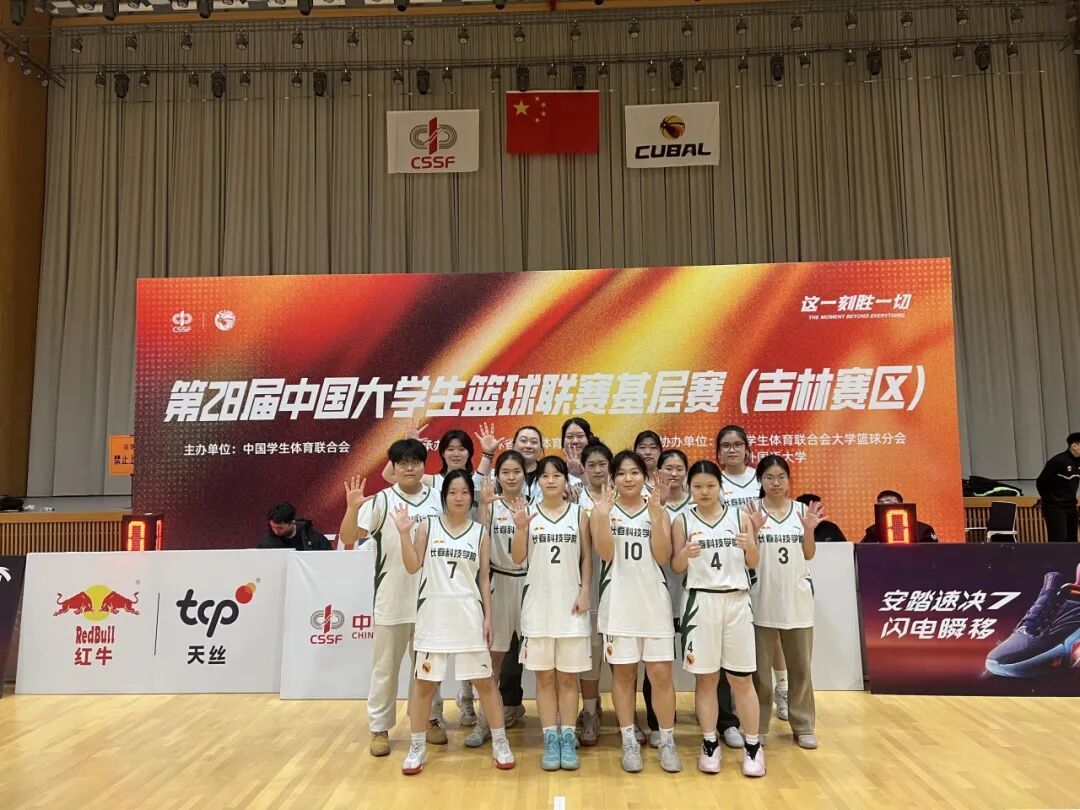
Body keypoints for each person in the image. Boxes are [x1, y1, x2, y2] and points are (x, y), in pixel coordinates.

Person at [394, 470, 516, 775]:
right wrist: (403, 534)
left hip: (468, 614)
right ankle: (417, 746)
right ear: (444, 496)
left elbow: (485, 578)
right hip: (433, 615)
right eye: (452, 492)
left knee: (485, 682)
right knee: (424, 684)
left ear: (471, 498)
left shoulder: (480, 532)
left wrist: (488, 618)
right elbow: (412, 566)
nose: (458, 497)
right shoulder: (427, 525)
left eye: (464, 492)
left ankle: (500, 742)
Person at [338, 438, 445, 757]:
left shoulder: (438, 500)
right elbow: (348, 537)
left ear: (424, 465)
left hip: (429, 599)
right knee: (385, 669)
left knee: (428, 667)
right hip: (391, 600)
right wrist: (352, 508)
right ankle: (379, 728)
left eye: (415, 462)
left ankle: (430, 719)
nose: (409, 468)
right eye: (403, 463)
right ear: (394, 468)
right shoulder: (381, 501)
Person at [672, 460, 764, 777]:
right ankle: (710, 741)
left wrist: (751, 544)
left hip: (736, 600)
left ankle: (753, 746)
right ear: (690, 489)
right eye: (698, 486)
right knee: (707, 678)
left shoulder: (740, 517)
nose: (704, 491)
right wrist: (685, 554)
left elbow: (753, 561)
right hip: (700, 601)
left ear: (720, 487)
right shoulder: (682, 520)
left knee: (741, 680)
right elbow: (677, 567)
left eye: (710, 485)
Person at [592, 450, 682, 774]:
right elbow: (605, 553)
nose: (628, 478)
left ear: (645, 476)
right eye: (621, 473)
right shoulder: (602, 510)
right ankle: (629, 740)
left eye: (634, 472)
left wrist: (657, 518)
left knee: (661, 675)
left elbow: (662, 556)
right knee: (624, 675)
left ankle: (667, 740)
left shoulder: (658, 509)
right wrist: (602, 517)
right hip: (618, 605)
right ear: (613, 478)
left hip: (654, 604)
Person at [511, 456, 592, 771]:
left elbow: (586, 557)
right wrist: (520, 529)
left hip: (571, 605)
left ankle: (567, 738)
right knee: (544, 677)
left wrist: (585, 591)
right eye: (544, 476)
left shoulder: (579, 513)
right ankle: (550, 739)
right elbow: (518, 558)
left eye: (556, 475)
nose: (550, 480)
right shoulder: (528, 513)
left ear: (565, 480)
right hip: (538, 606)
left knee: (568, 678)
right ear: (538, 482)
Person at [747, 455, 824, 750]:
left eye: (781, 477)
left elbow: (809, 554)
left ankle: (803, 724)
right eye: (769, 477)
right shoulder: (751, 511)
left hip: (797, 600)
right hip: (761, 599)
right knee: (760, 673)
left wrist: (809, 529)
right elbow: (747, 557)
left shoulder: (801, 511)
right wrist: (754, 530)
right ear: (761, 481)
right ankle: (758, 726)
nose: (775, 483)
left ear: (789, 480)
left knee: (801, 667)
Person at [463, 450, 529, 747]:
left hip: (529, 584)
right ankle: (485, 721)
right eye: (505, 472)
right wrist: (485, 509)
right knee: (494, 659)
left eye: (516, 471)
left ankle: (555, 725)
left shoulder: (535, 505)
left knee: (545, 659)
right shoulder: (491, 505)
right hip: (499, 582)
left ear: (524, 474)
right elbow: (480, 541)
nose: (511, 477)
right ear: (498, 476)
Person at [642, 449, 690, 748]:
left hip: (691, 592)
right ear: (657, 472)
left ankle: (722, 720)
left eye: (679, 468)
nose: (673, 473)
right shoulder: (647, 503)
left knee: (710, 663)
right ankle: (656, 723)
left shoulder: (697, 502)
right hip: (655, 594)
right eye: (667, 468)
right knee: (656, 664)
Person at [574, 438, 613, 747]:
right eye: (592, 465)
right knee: (591, 648)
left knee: (622, 653)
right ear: (583, 469)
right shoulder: (574, 498)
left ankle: (628, 715)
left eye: (603, 464)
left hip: (620, 584)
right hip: (586, 584)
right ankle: (589, 711)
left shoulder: (625, 494)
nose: (598, 470)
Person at [381, 424, 498, 492]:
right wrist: (408, 446)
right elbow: (389, 475)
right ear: (443, 453)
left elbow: (486, 459)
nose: (456, 454)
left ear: (469, 453)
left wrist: (488, 452)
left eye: (462, 449)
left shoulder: (477, 480)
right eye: (450, 449)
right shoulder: (431, 481)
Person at [1036, 433, 1080, 542]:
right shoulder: (1058, 461)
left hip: (1071, 506)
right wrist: (1050, 500)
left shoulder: (1078, 462)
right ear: (1074, 446)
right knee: (1059, 540)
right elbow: (1041, 483)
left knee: (1072, 539)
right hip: (1055, 507)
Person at [860, 490, 938, 543]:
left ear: (901, 506)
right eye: (881, 504)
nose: (886, 506)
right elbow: (863, 552)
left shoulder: (923, 529)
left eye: (891, 503)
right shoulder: (872, 531)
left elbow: (933, 552)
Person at [257, 502, 332, 550]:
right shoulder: (266, 543)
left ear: (292, 522)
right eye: (273, 527)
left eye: (280, 528)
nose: (276, 531)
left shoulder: (315, 539)